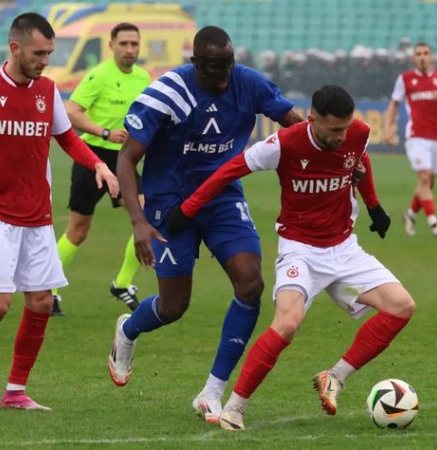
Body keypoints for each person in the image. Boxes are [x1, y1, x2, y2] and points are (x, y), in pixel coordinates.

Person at [167, 85, 413, 431]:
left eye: (345, 128)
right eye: (334, 130)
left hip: (345, 249)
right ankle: (235, 407)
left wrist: (374, 206)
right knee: (287, 323)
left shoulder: (358, 134)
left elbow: (360, 159)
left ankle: (336, 376)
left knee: (402, 306)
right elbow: (230, 170)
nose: (342, 136)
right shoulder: (283, 145)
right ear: (312, 119)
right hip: (300, 251)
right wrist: (189, 208)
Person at [110, 26, 302, 423]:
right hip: (169, 204)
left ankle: (212, 391)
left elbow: (293, 123)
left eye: (228, 64)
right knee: (173, 306)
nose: (223, 74)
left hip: (222, 196)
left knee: (250, 282)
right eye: (214, 66)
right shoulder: (167, 93)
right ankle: (128, 330)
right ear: (195, 62)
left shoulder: (247, 82)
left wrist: (322, 149)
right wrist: (138, 221)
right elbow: (126, 158)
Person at [0, 12, 117, 410]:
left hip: (37, 215)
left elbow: (68, 138)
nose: (45, 61)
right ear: (15, 48)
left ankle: (15, 391)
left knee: (41, 303)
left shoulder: (47, 91)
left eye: (49, 53)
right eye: (39, 53)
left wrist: (98, 164)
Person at [50, 22, 151, 317]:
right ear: (111, 46)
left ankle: (122, 283)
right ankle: (48, 288)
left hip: (124, 160)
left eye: (134, 44)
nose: (130, 49)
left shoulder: (144, 78)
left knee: (145, 216)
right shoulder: (99, 75)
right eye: (124, 44)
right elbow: (71, 112)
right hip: (92, 158)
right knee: (78, 230)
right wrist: (104, 132)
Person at [384, 41, 437, 237]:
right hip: (416, 136)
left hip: (436, 138)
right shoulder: (405, 79)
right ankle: (434, 223)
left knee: (429, 183)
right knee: (424, 178)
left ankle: (409, 214)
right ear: (413, 58)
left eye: (425, 53)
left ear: (431, 56)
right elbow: (394, 104)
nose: (422, 57)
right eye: (419, 54)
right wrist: (388, 129)